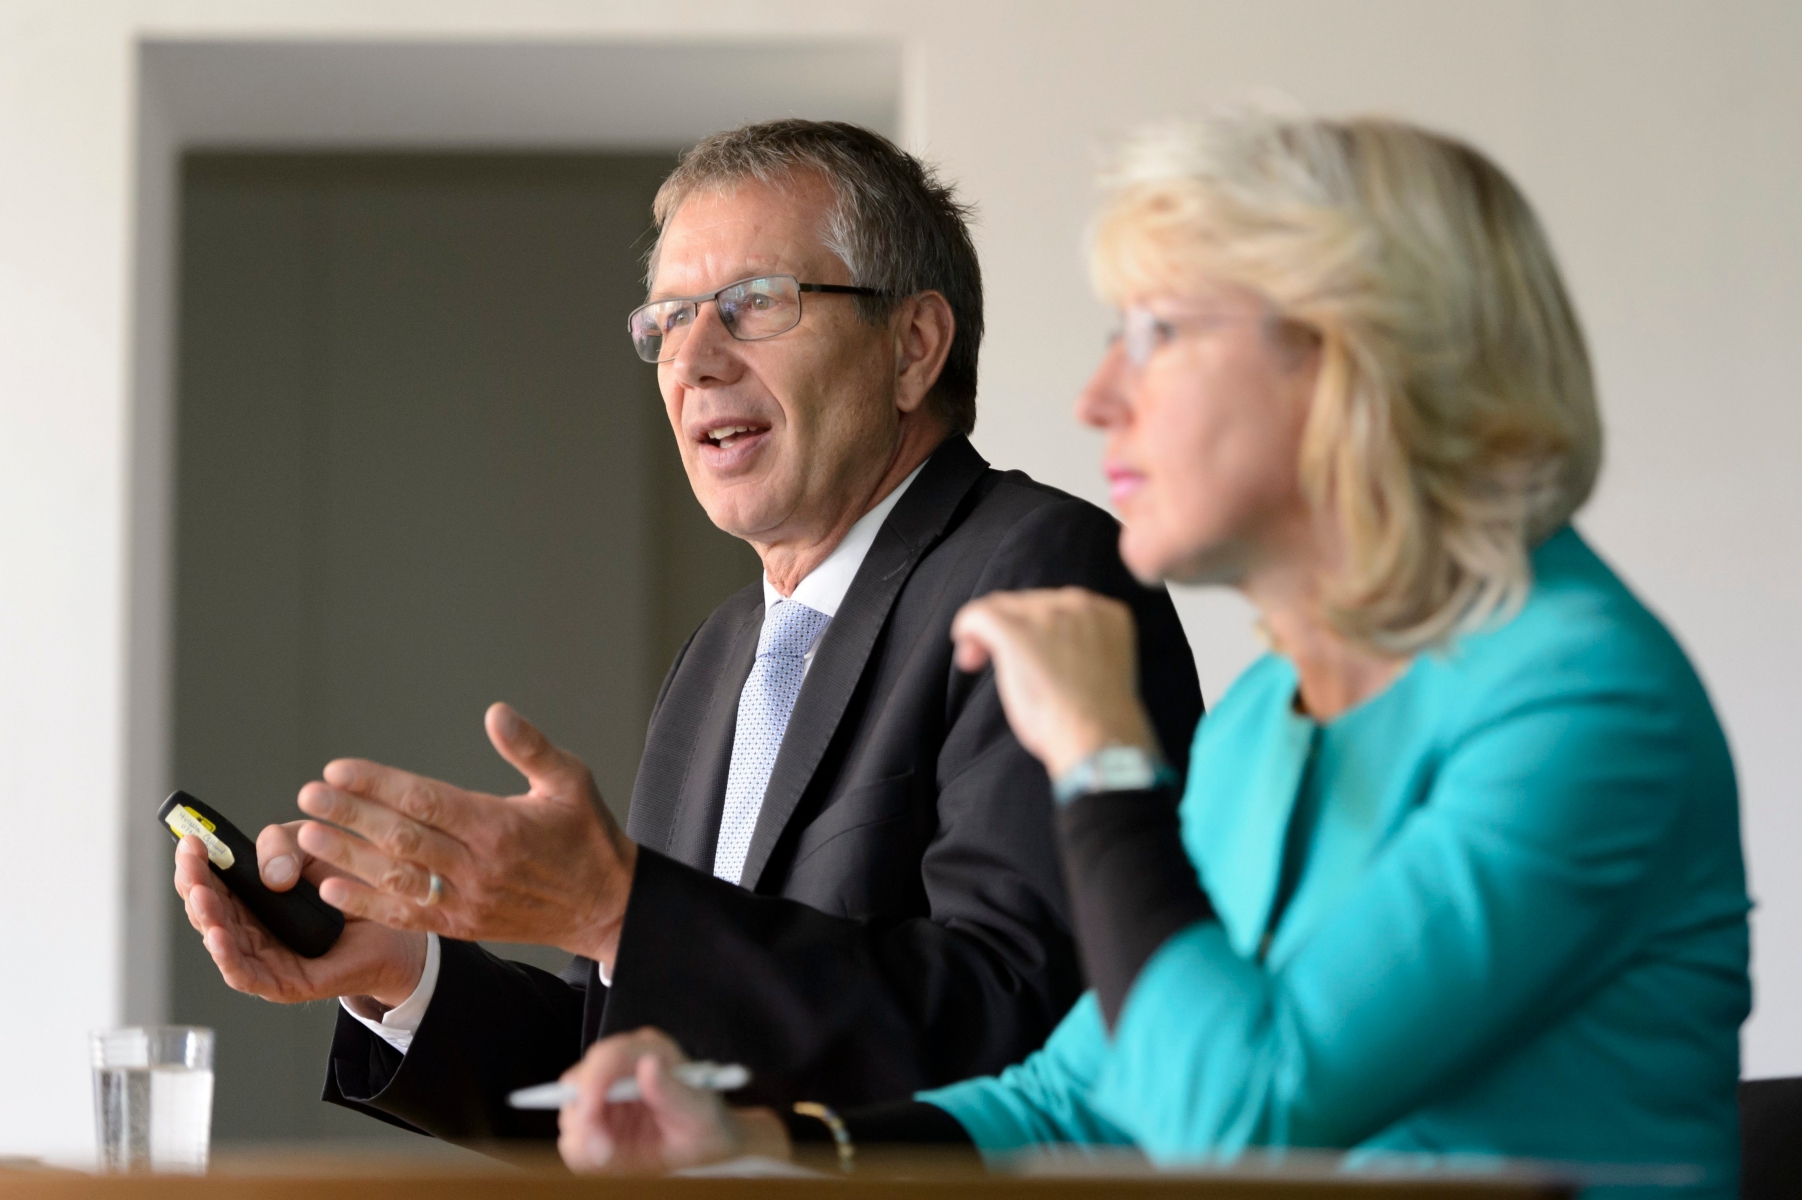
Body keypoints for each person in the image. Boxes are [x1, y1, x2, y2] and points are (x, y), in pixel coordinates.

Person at [550, 112, 1751, 1193]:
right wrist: (767, 1146)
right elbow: (1074, 1099)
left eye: (1160, 332)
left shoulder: (1584, 702)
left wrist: (1104, 765)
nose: (1098, 395)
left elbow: (1244, 1114)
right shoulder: (1272, 708)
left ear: (1361, 362)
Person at [172, 119, 1204, 1142]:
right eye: (665, 320)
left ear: (912, 346)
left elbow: (1020, 1026)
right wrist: (402, 971)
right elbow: (625, 1075)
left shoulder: (1038, 575)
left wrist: (618, 909)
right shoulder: (719, 656)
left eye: (752, 304)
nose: (693, 359)